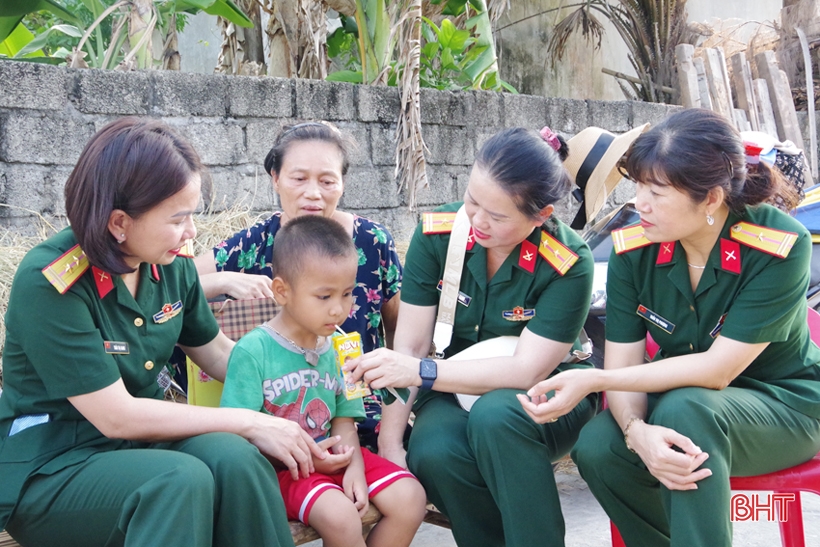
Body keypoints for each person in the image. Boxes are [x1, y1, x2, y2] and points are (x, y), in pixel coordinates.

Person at [0, 118, 331, 547]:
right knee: (180, 480)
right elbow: (116, 415)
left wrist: (307, 384)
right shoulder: (50, 282)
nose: (191, 232)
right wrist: (248, 420)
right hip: (54, 466)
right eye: (178, 219)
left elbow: (216, 352)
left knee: (238, 459)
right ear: (120, 222)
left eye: (192, 216)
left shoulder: (169, 264)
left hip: (143, 449)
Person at [518, 109, 820, 547]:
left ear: (712, 198)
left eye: (656, 191)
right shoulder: (635, 250)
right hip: (684, 400)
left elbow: (716, 371)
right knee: (599, 446)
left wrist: (592, 379)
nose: (639, 202)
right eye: (638, 186)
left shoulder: (778, 246)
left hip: (784, 408)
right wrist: (636, 433)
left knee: (686, 411)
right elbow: (624, 365)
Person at [345, 127, 597, 547]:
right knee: (432, 453)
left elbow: (525, 370)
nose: (477, 221)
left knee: (496, 417)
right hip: (446, 386)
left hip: (548, 394)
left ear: (541, 215)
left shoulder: (568, 263)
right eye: (472, 201)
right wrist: (391, 443)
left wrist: (420, 370)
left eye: (497, 216)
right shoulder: (438, 235)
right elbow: (407, 348)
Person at [220, 215, 427, 547]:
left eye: (346, 294)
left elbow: (344, 418)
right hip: (282, 470)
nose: (338, 309)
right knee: (342, 516)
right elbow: (236, 435)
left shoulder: (343, 347)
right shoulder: (253, 351)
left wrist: (354, 468)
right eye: (324, 296)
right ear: (282, 290)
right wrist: (304, 456)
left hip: (335, 458)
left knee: (411, 498)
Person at [194, 121, 403, 450]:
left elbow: (400, 334)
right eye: (299, 178)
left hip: (359, 412)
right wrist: (222, 279)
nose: (313, 193)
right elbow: (174, 281)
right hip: (277, 417)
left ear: (343, 183)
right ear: (276, 179)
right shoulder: (255, 243)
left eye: (327, 181)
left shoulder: (373, 242)